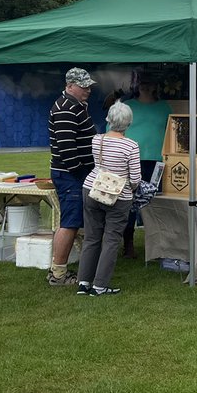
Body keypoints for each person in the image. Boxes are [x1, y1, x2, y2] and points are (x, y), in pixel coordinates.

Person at [77, 102, 141, 295]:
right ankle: (100, 285)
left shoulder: (97, 140)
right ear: (129, 123)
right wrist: (133, 188)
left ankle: (84, 282)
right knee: (111, 240)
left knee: (91, 237)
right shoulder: (131, 146)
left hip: (91, 188)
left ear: (108, 120)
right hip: (118, 195)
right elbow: (136, 177)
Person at [47, 67, 98, 286]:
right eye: (83, 85)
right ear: (70, 86)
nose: (88, 89)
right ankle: (58, 273)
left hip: (75, 174)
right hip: (70, 175)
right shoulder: (66, 108)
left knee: (73, 221)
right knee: (70, 222)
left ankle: (60, 270)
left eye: (89, 85)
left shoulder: (76, 106)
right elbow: (68, 151)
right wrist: (83, 174)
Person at [122, 75, 170, 258]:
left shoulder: (164, 107)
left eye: (150, 83)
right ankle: (128, 244)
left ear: (156, 86)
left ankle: (159, 245)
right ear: (136, 85)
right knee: (130, 203)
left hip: (158, 162)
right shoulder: (128, 107)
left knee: (157, 201)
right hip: (133, 161)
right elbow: (111, 128)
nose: (146, 86)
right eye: (143, 83)